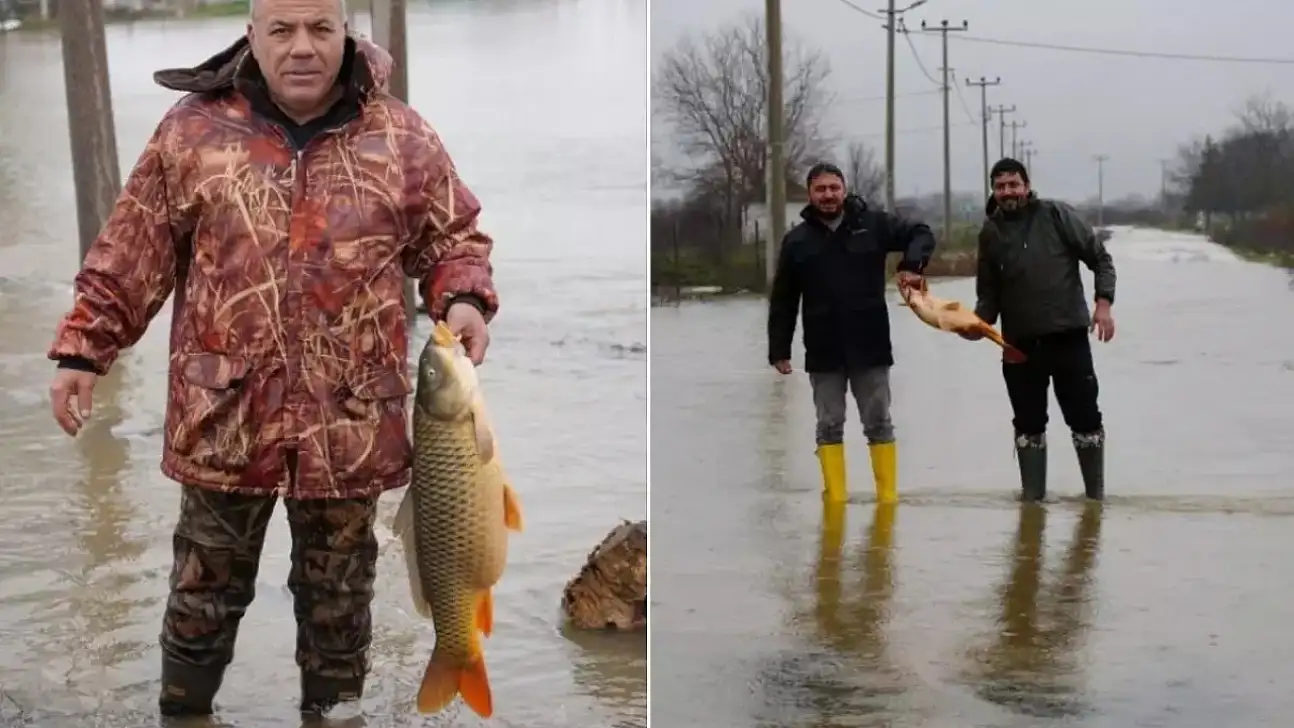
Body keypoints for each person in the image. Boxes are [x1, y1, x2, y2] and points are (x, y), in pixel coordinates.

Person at [45, 0, 498, 717]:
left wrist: (463, 300)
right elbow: (130, 256)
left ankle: (335, 714)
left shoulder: (400, 136)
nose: (302, 48)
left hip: (349, 431)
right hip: (223, 423)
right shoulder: (192, 131)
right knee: (199, 605)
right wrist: (83, 349)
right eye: (282, 30)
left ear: (345, 33)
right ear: (252, 35)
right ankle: (185, 714)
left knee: (339, 618)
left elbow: (456, 242)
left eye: (320, 28)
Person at [767, 163, 937, 505]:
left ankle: (887, 502)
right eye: (820, 189)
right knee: (829, 424)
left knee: (878, 421)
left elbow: (922, 232)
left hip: (870, 344)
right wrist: (779, 350)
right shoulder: (797, 241)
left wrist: (911, 265)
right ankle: (835, 503)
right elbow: (784, 300)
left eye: (834, 187)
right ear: (810, 194)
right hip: (823, 349)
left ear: (844, 190)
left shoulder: (873, 224)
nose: (828, 195)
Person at [964, 158, 1116, 502]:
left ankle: (1095, 503)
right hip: (1018, 346)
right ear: (993, 191)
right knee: (1028, 426)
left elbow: (1100, 258)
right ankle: (1032, 508)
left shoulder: (1056, 215)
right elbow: (988, 296)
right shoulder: (990, 233)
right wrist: (977, 325)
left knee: (1085, 419)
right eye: (1000, 186)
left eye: (1014, 184)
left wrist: (1103, 305)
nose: (1008, 192)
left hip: (1068, 338)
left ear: (1027, 185)